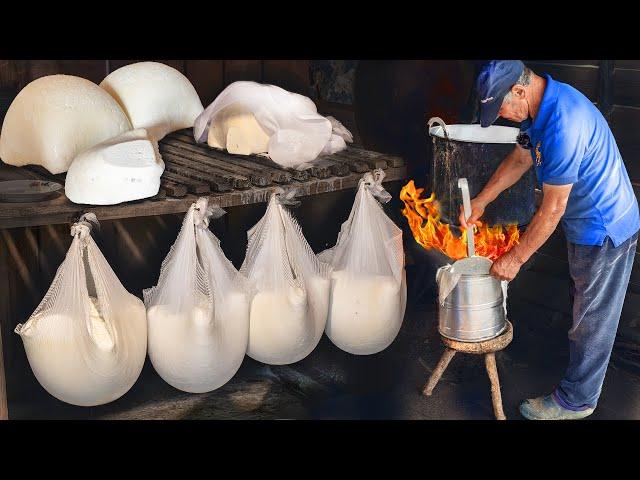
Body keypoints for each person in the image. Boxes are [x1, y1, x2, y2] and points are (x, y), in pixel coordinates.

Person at [461, 60, 640, 420]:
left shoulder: (563, 122)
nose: (503, 117)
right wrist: (481, 200)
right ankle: (579, 379)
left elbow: (553, 207)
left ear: (519, 90)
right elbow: (518, 159)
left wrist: (514, 259)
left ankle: (577, 401)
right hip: (583, 222)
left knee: (592, 320)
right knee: (584, 310)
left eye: (502, 109)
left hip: (603, 228)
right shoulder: (538, 114)